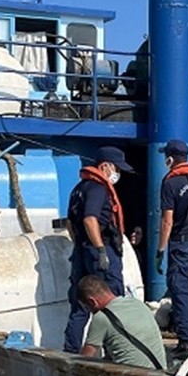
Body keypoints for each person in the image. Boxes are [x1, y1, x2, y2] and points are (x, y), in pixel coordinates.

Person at [63, 145, 133, 354]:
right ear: (105, 166)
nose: (117, 173)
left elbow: (70, 223)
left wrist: (80, 246)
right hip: (100, 250)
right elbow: (90, 219)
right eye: (116, 168)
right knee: (112, 300)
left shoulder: (78, 188)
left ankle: (71, 352)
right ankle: (115, 352)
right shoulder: (98, 188)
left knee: (80, 303)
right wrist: (100, 249)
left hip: (81, 251)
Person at [155, 139, 188, 359]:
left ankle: (186, 341)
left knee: (180, 291)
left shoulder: (170, 183)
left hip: (182, 243)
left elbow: (167, 220)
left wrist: (160, 250)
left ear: (170, 159)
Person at [77, 274, 167, 369]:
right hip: (159, 371)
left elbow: (85, 358)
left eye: (87, 307)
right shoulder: (137, 303)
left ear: (92, 301)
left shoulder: (101, 317)